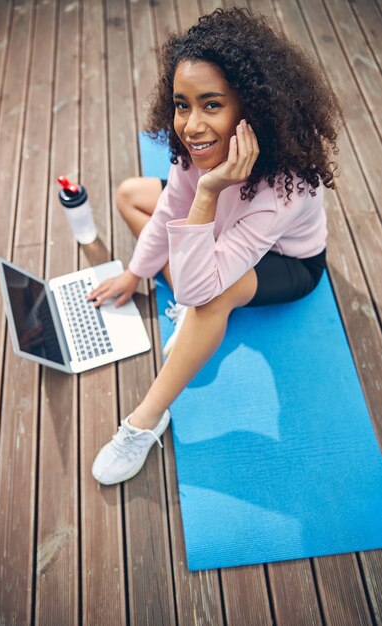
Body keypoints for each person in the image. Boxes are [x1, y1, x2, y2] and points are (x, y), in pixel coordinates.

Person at [88, 7, 343, 485]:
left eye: (211, 104)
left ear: (251, 107)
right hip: (222, 227)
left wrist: (208, 191)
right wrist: (135, 272)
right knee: (130, 196)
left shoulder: (284, 188)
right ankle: (199, 306)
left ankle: (144, 421)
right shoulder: (195, 149)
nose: (191, 125)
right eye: (182, 105)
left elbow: (192, 288)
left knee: (209, 298)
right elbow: (167, 211)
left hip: (287, 261)